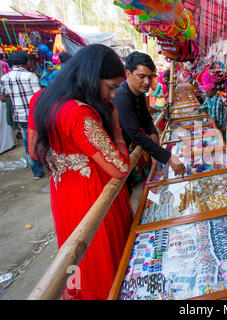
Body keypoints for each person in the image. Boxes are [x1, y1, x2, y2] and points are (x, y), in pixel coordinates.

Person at [29, 44, 132, 299]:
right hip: (93, 195)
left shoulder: (41, 99)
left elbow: (33, 151)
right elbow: (119, 167)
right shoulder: (79, 114)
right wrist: (116, 124)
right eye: (110, 87)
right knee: (103, 259)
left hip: (64, 196)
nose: (110, 96)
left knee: (77, 257)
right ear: (91, 76)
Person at [112, 51, 186, 191]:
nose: (147, 82)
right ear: (128, 73)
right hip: (117, 156)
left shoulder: (139, 93)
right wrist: (168, 157)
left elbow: (146, 119)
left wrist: (153, 133)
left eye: (150, 76)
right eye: (142, 76)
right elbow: (135, 134)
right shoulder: (121, 96)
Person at [0, 50, 43, 178]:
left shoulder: (4, 78)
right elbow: (39, 97)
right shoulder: (31, 76)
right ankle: (48, 167)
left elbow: (2, 98)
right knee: (41, 141)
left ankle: (37, 172)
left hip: (20, 116)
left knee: (28, 143)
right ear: (26, 61)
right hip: (35, 115)